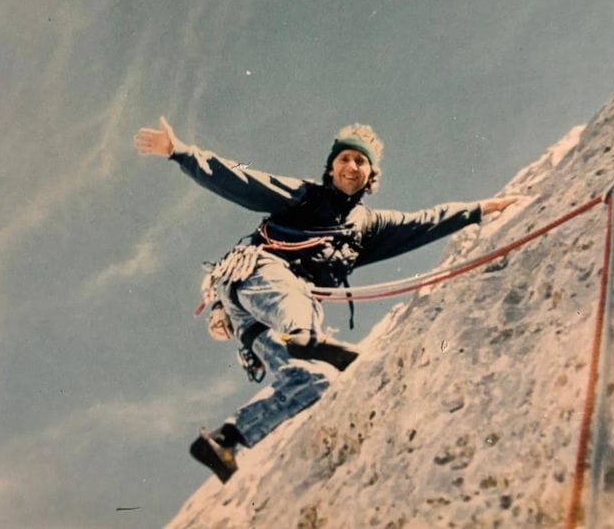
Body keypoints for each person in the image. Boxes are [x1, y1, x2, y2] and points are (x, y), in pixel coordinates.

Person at [134, 117, 518, 483]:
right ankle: (304, 336)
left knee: (316, 378)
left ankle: (225, 440)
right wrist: (180, 151)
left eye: (360, 161)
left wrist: (481, 209)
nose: (351, 166)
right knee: (293, 301)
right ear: (331, 168)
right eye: (344, 159)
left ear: (371, 175)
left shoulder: (368, 227)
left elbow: (424, 220)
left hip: (265, 321)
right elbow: (242, 180)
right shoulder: (306, 196)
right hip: (256, 277)